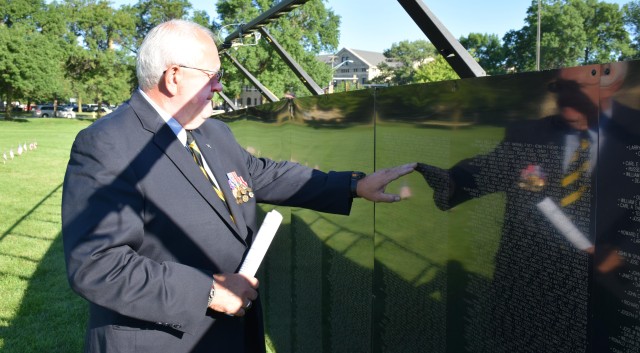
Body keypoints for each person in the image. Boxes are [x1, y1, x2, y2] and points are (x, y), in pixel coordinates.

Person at [61, 19, 415, 353]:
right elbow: (98, 266)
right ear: (173, 77)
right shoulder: (108, 145)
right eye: (212, 76)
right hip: (164, 340)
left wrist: (354, 185)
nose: (219, 86)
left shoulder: (212, 132)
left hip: (231, 333)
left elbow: (261, 174)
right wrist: (209, 292)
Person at [417, 62, 639, 353]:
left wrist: (625, 250)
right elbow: (490, 168)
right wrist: (451, 182)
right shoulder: (529, 132)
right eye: (559, 88)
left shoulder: (633, 131)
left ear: (613, 85)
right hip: (525, 286)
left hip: (603, 293)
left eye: (577, 89)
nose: (564, 99)